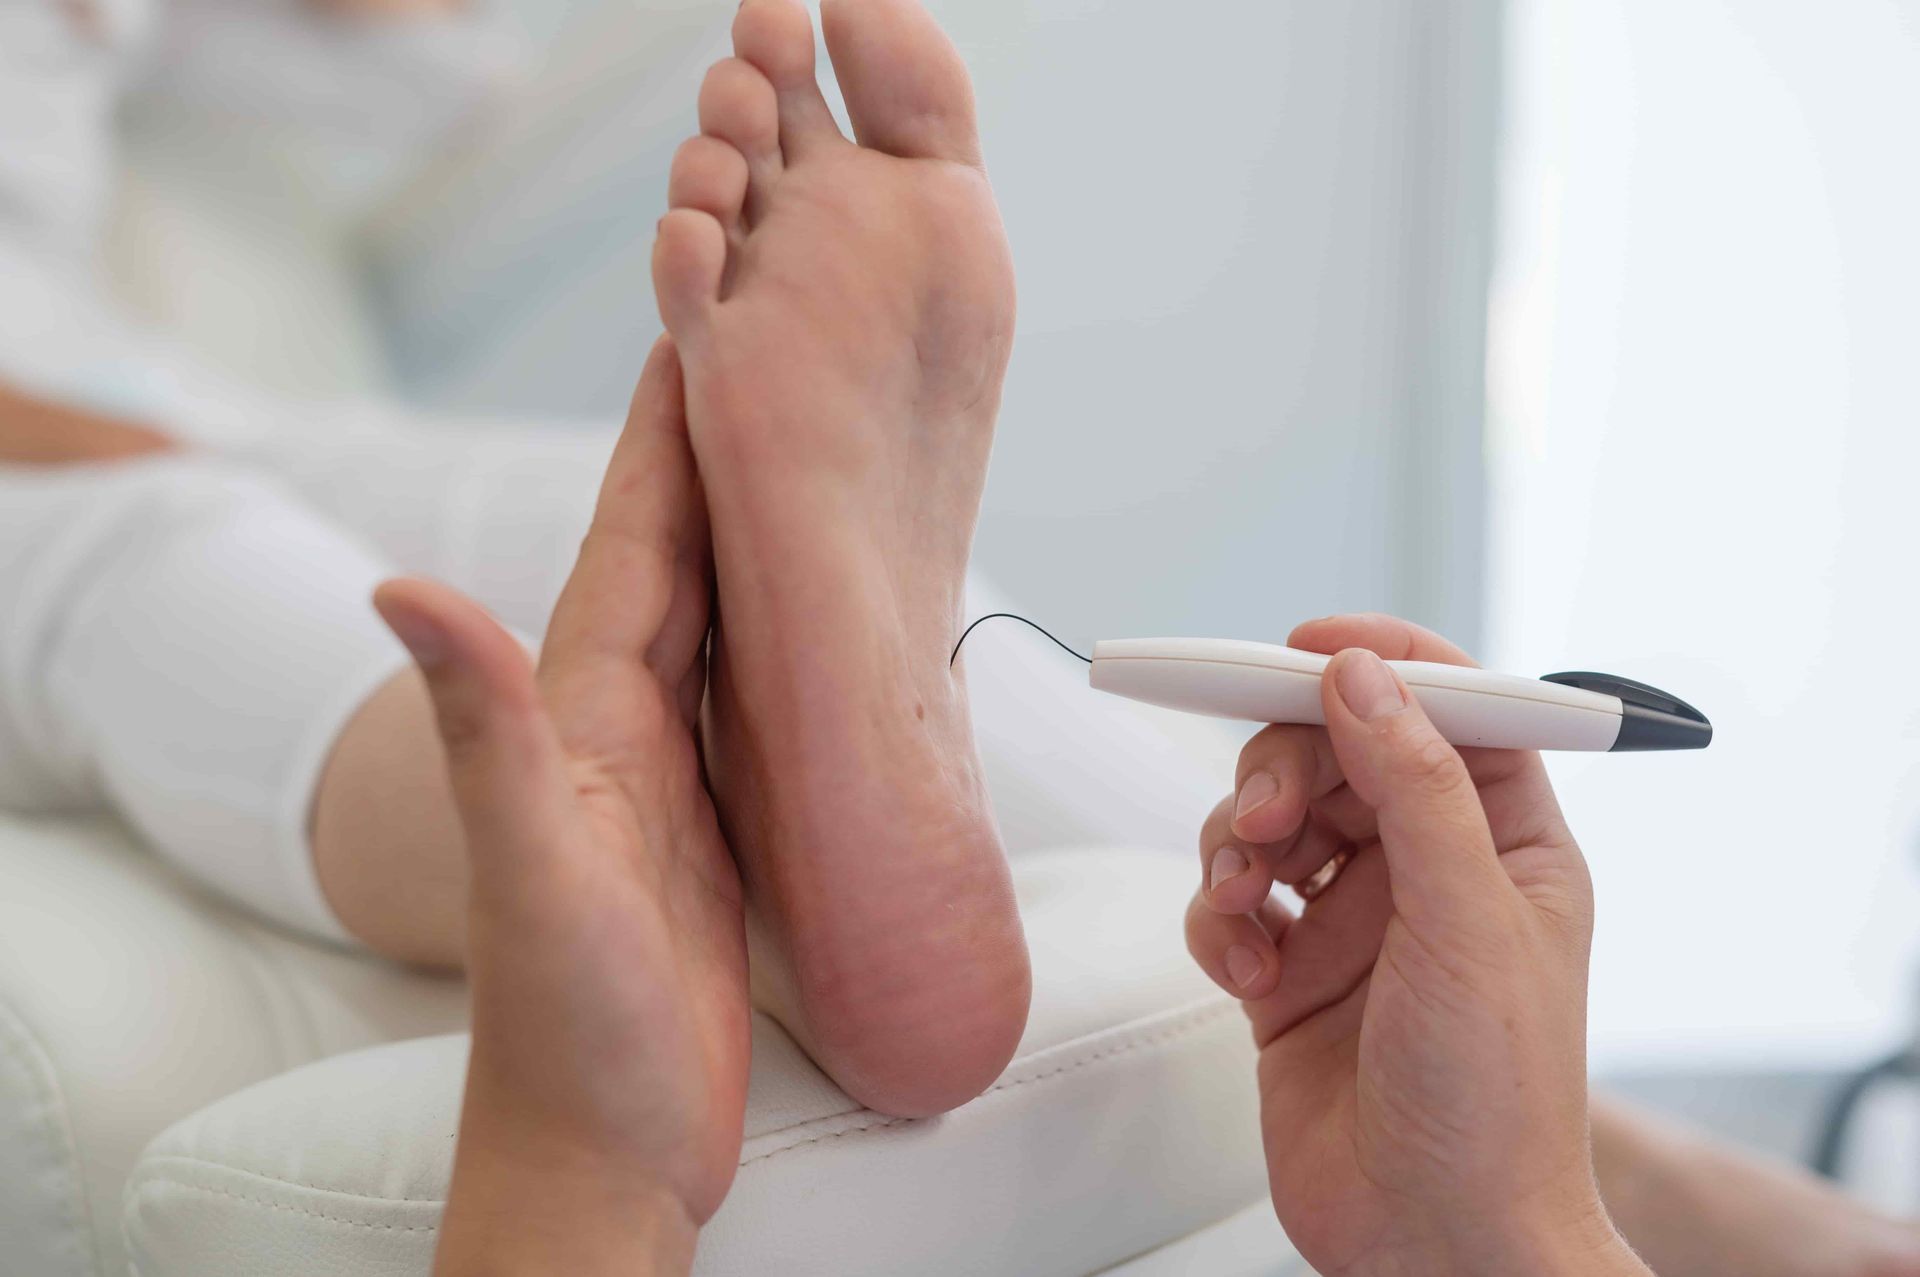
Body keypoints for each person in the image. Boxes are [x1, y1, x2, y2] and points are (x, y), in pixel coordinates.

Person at [4, 0, 1920, 1270]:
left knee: (569, 502)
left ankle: (800, 723)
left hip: (150, 390)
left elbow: (428, 78)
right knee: (154, 553)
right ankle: (742, 807)